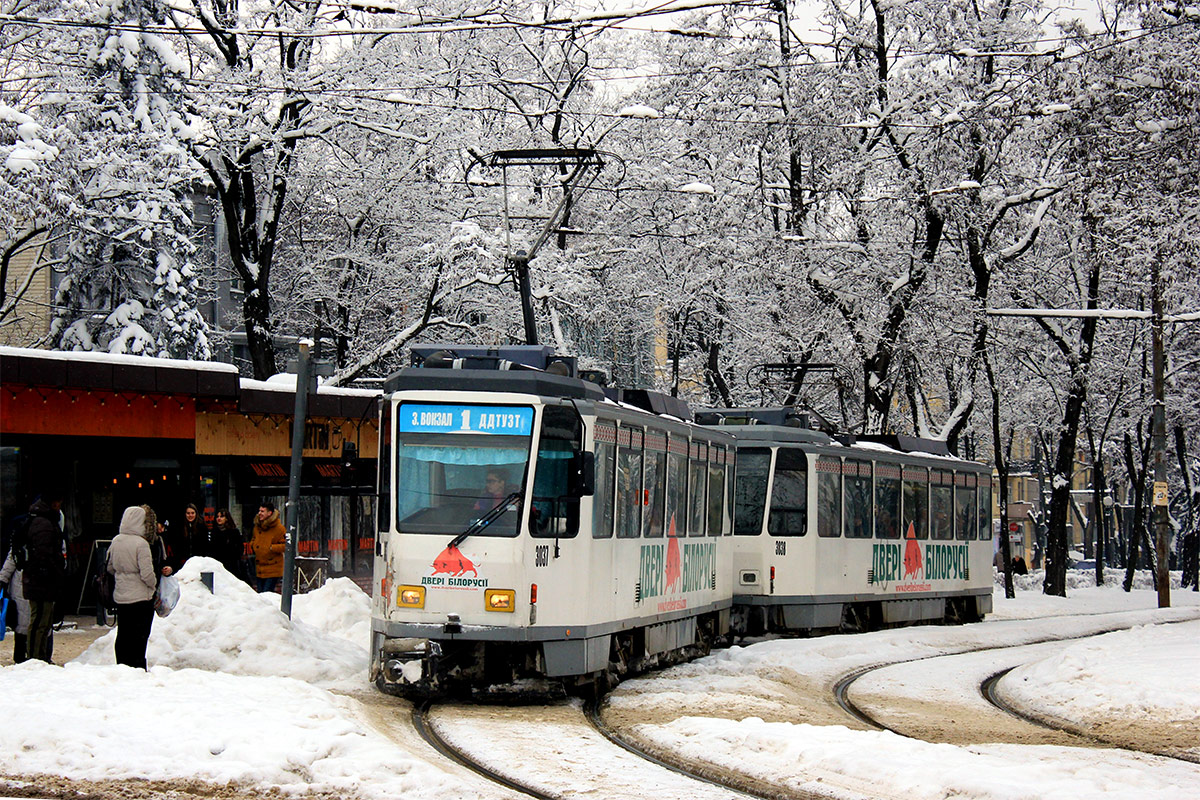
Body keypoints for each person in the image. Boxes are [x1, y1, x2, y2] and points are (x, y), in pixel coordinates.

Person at [108, 505, 158, 669]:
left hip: (121, 595)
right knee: (139, 636)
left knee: (123, 634)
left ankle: (122, 665)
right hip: (140, 597)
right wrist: (153, 585)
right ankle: (137, 667)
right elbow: (147, 574)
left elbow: (110, 567)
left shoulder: (116, 540)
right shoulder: (141, 544)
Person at [22, 491, 66, 663]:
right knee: (40, 619)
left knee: (43, 620)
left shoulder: (41, 520)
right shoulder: (45, 523)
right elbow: (44, 553)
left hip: (40, 578)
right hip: (42, 578)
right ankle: (35, 656)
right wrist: (54, 569)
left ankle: (38, 656)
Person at [0, 542, 31, 663]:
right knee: (27, 620)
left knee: (22, 621)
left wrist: (3, 579)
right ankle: (36, 654)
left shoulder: (20, 540)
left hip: (22, 581)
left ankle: (20, 655)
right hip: (27, 582)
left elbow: (11, 559)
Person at [251, 502, 286, 593]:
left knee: (266, 593)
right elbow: (254, 539)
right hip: (259, 568)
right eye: (259, 511)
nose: (259, 513)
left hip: (273, 568)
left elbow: (286, 546)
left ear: (269, 513)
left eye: (262, 511)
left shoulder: (279, 528)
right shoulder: (257, 527)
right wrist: (253, 545)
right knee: (261, 594)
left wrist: (271, 548)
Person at [212, 509, 247, 582]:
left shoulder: (234, 532)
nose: (219, 518)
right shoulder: (214, 532)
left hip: (232, 565)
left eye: (222, 516)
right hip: (218, 566)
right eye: (217, 516)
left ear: (227, 518)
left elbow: (239, 548)